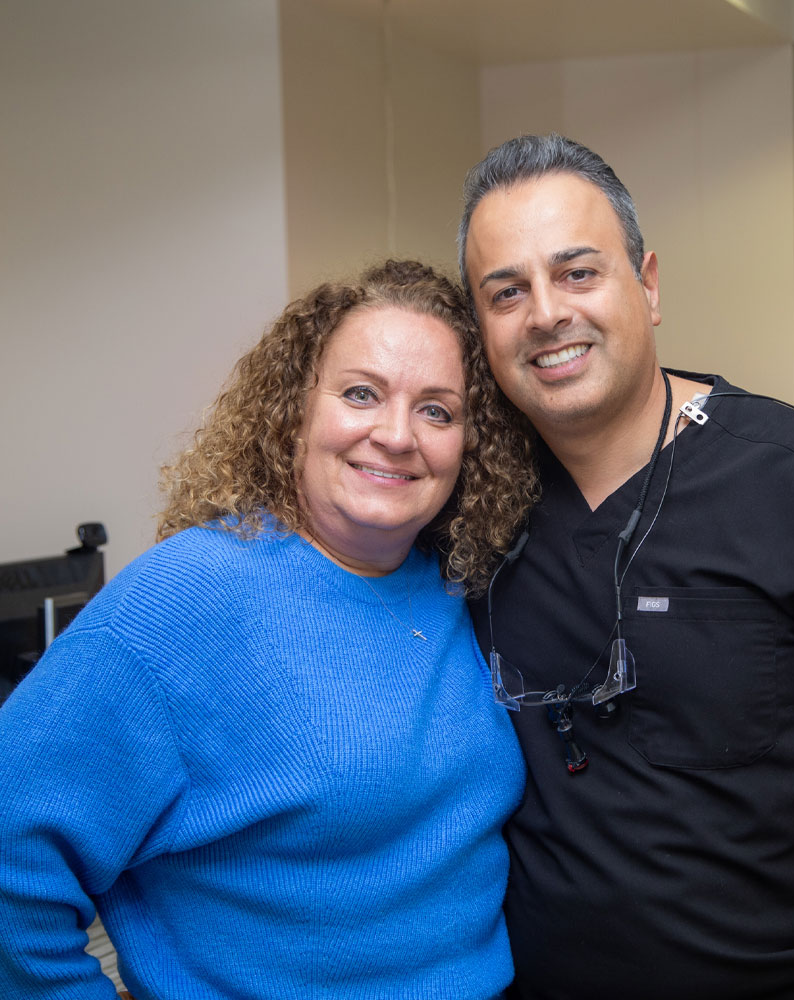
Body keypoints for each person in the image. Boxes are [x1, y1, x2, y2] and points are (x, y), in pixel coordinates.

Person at [458, 134, 794, 1000]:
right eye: (507, 291)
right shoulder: (469, 507)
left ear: (646, 285)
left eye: (578, 272)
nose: (544, 313)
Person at [0, 260, 537, 1000]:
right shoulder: (187, 597)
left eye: (438, 411)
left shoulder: (455, 585)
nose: (396, 435)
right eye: (360, 394)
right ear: (294, 410)